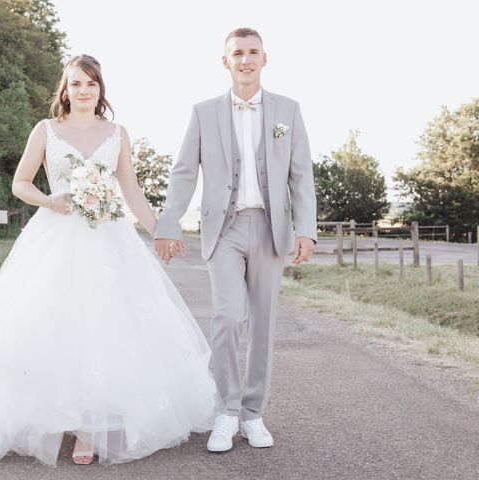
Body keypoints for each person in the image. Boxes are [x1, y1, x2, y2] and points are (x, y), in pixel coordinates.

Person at [0, 54, 217, 466]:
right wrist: (49, 201)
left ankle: (90, 428)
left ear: (100, 89)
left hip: (108, 239)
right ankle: (51, 418)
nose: (84, 90)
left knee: (103, 326)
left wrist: (163, 231)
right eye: (75, 83)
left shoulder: (118, 133)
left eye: (90, 83)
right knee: (51, 325)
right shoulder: (46, 130)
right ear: (65, 90)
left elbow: (132, 193)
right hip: (55, 236)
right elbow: (19, 183)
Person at [155, 28, 317, 453]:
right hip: (223, 230)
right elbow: (184, 172)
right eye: (237, 53)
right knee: (228, 318)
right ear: (224, 61)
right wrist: (169, 221)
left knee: (262, 323)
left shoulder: (288, 110)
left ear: (265, 58)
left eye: (252, 53)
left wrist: (307, 228)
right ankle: (226, 412)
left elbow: (301, 175)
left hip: (271, 229)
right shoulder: (204, 112)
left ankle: (254, 413)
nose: (245, 60)